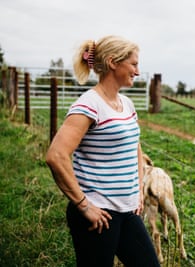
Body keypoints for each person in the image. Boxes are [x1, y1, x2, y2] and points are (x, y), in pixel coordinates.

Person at [46, 35, 160, 267]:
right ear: (112, 62)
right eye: (134, 64)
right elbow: (56, 156)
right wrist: (84, 205)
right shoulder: (88, 105)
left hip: (128, 211)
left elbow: (135, 147)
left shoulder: (126, 103)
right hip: (99, 214)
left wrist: (137, 190)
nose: (137, 71)